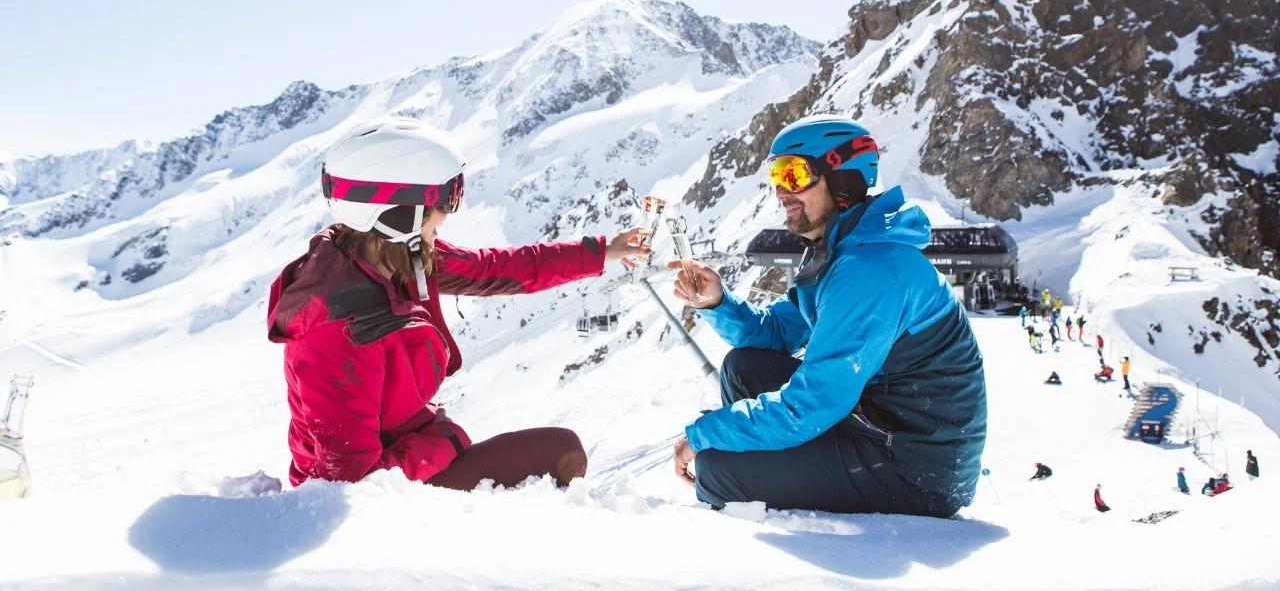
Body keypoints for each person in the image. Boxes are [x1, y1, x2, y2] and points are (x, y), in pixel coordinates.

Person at [267, 117, 649, 490]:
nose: (448, 213)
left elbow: (494, 268)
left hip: (409, 453)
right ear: (398, 212)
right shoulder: (336, 330)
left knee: (558, 450)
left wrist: (602, 252)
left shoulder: (394, 257)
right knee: (561, 453)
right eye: (443, 199)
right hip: (379, 497)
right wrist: (443, 442)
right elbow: (348, 482)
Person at [668, 115, 987, 517]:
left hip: (919, 471)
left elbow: (811, 404)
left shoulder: (869, 271)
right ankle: (771, 475)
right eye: (776, 176)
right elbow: (775, 332)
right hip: (880, 424)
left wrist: (706, 434)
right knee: (744, 367)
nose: (781, 191)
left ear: (841, 179)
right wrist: (718, 302)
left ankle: (765, 498)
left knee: (718, 470)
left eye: (794, 173)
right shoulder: (843, 251)